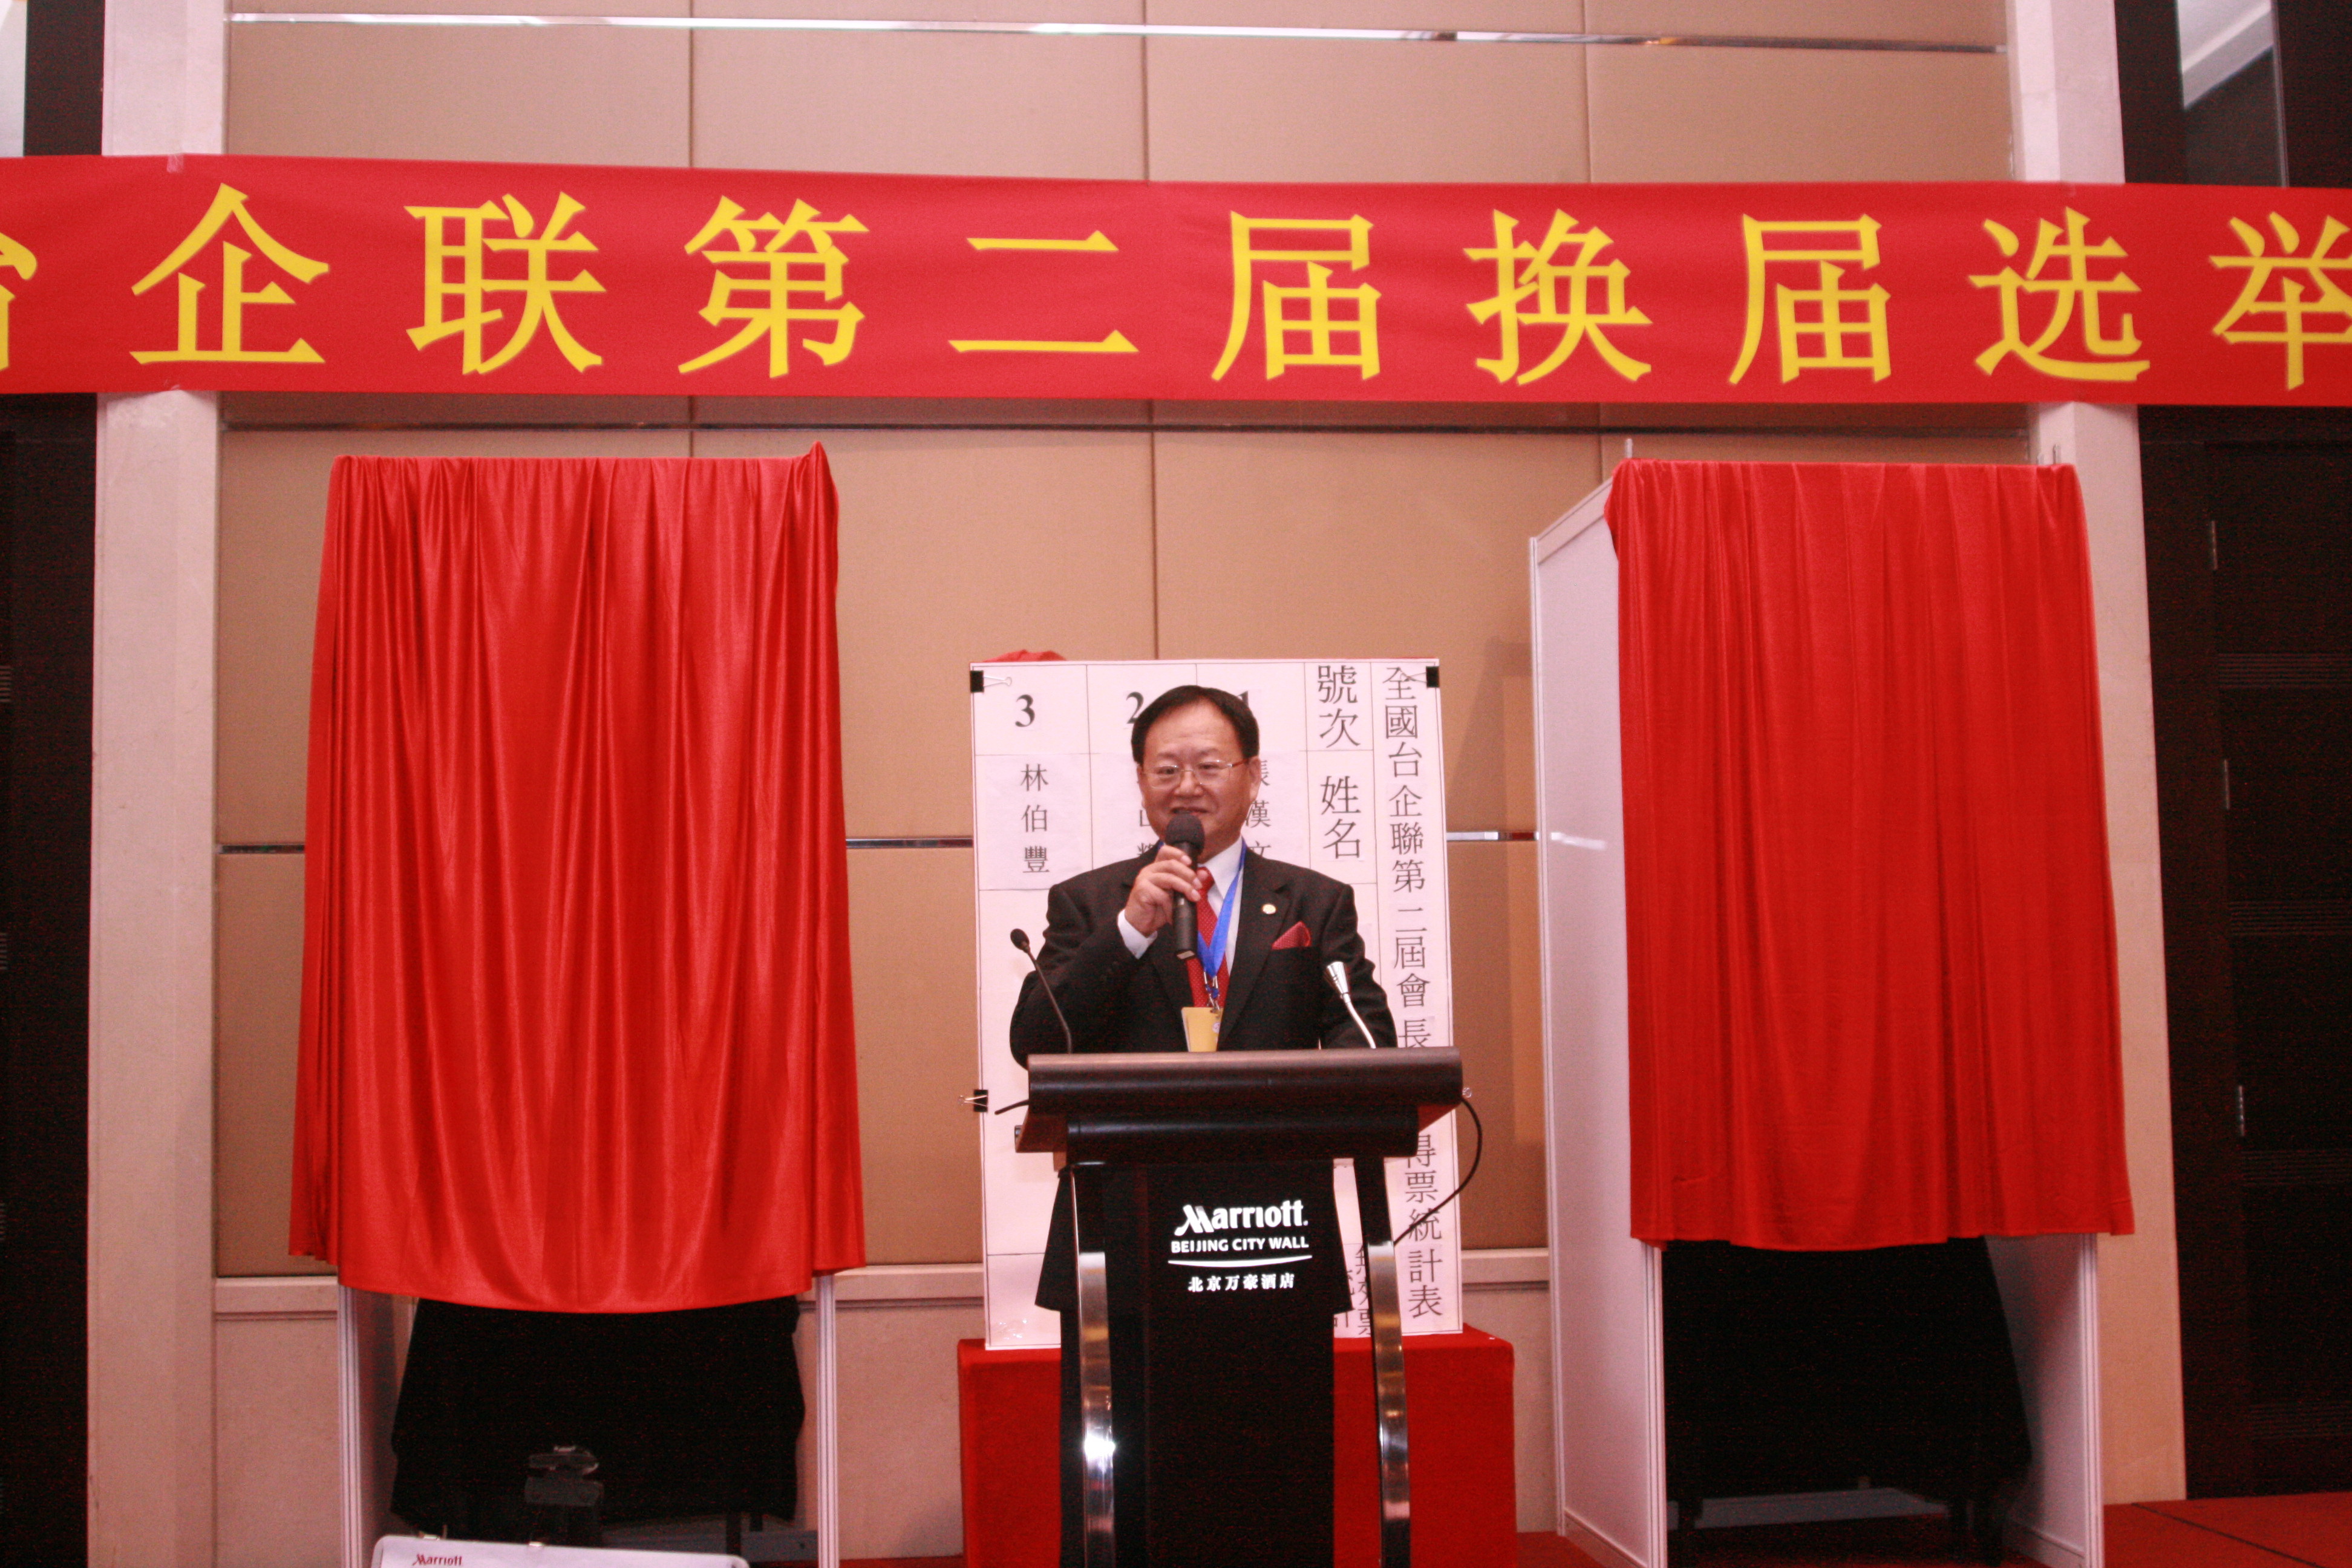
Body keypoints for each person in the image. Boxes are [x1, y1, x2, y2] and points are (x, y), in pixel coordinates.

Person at [1010, 684, 1395, 1568]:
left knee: (1271, 1479)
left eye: (1209, 766)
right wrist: (1130, 930)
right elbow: (1038, 1041)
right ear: (1141, 782)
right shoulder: (1090, 904)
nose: (1187, 786)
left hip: (1269, 1240)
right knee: (1126, 1485)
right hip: (1125, 1245)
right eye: (1166, 769)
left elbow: (1365, 1044)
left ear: (1252, 776)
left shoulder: (1315, 903)